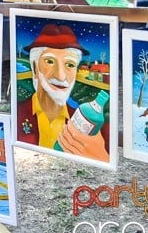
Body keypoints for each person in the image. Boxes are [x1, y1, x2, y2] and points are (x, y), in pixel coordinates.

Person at [15, 24, 110, 162]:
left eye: (70, 65)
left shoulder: (89, 123)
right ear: (35, 68)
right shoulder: (17, 113)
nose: (60, 76)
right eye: (50, 61)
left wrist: (102, 157)